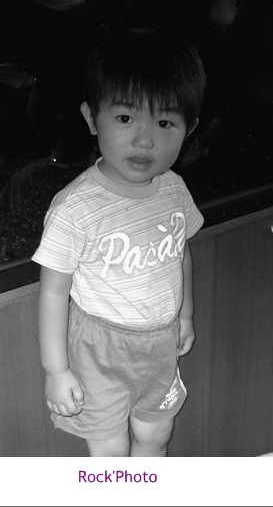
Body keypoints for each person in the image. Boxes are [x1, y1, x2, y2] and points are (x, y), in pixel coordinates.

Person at [32, 28, 206, 457]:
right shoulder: (75, 207)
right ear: (92, 118)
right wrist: (56, 370)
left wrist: (185, 315)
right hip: (100, 351)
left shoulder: (174, 189)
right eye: (125, 118)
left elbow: (180, 253)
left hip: (161, 342)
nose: (144, 140)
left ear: (189, 128)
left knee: (155, 435)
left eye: (164, 123)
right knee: (109, 449)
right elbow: (53, 292)